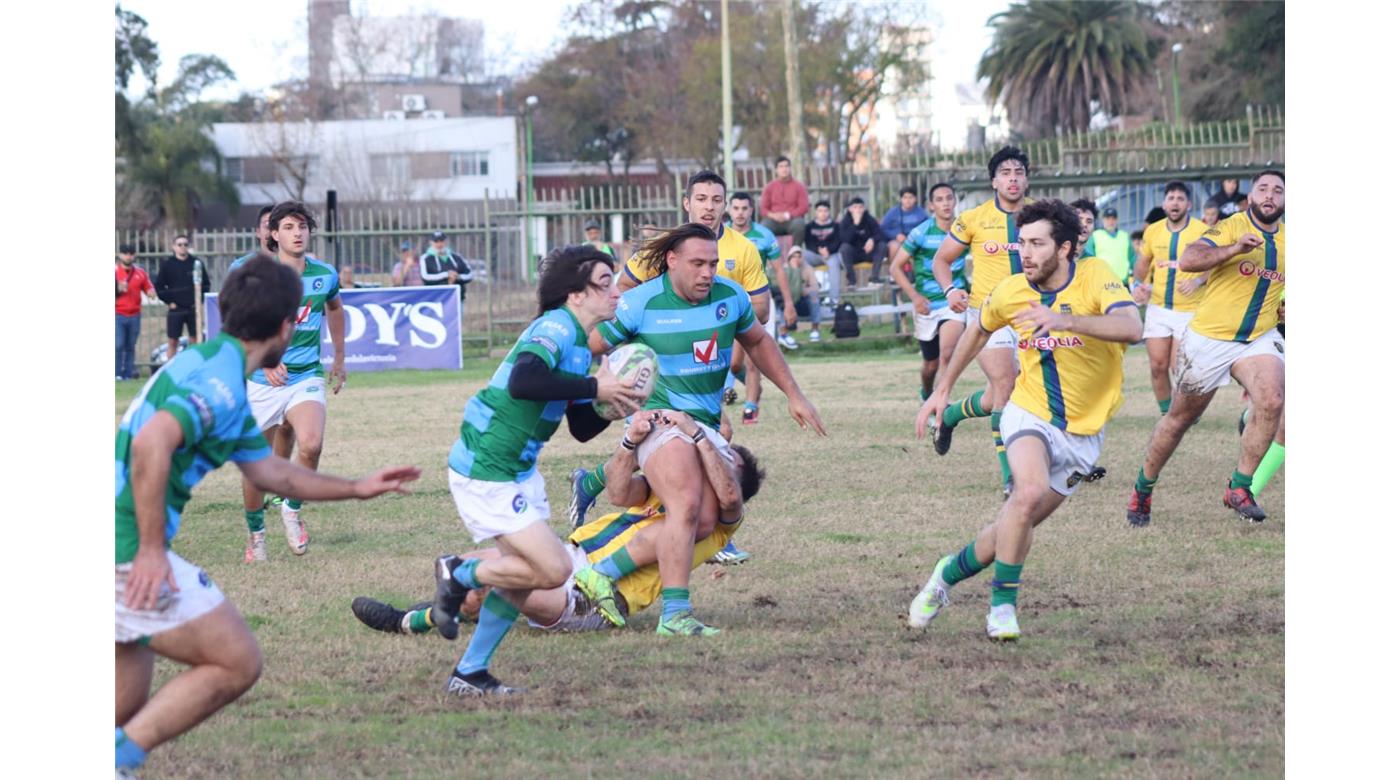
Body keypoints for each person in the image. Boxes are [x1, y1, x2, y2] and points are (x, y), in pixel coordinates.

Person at [115, 256, 420, 775]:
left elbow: (273, 475)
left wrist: (356, 487)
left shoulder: (217, 364)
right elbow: (151, 443)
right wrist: (147, 552)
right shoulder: (221, 383)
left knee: (124, 699)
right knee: (237, 660)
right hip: (122, 548)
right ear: (287, 326)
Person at [910, 200, 1141, 640]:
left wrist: (1062, 318)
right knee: (1027, 492)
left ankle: (944, 578)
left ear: (1067, 248)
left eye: (1037, 243)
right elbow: (977, 331)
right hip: (1028, 411)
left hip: (1084, 435)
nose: (1025, 253)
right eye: (1021, 243)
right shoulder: (1012, 289)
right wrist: (942, 389)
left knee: (1012, 527)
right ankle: (1002, 610)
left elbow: (1132, 328)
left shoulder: (1096, 277)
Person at [427, 245, 647, 696]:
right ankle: (459, 573)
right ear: (575, 295)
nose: (616, 295)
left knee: (525, 573)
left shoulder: (579, 347)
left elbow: (581, 428)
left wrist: (611, 402)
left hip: (515, 471)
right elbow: (523, 381)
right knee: (551, 570)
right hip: (488, 465)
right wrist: (593, 384)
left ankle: (469, 672)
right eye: (605, 284)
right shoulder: (554, 327)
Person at [588, 223, 826, 634]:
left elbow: (759, 343)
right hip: (660, 421)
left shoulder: (730, 297)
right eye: (698, 263)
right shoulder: (639, 303)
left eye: (713, 263)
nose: (707, 273)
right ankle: (675, 614)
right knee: (685, 501)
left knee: (705, 521)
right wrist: (592, 387)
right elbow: (591, 344)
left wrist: (793, 393)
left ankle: (602, 571)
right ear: (672, 261)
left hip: (708, 426)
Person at [352, 426, 764, 637]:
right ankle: (431, 618)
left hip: (596, 602)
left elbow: (727, 495)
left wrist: (698, 436)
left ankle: (406, 622)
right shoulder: (671, 494)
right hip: (570, 560)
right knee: (464, 569)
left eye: (729, 460)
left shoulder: (721, 522)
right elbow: (620, 491)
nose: (718, 457)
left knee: (490, 585)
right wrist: (629, 442)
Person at [575, 171, 771, 532]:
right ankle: (678, 526)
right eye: (701, 199)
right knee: (708, 436)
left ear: (725, 205)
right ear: (687, 203)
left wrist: (724, 311)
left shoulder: (742, 248)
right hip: (658, 358)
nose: (709, 207)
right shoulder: (662, 248)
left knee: (710, 437)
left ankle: (605, 487)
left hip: (705, 356)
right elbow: (623, 292)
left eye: (716, 200)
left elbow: (761, 311)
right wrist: (649, 318)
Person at [1126, 170, 1285, 527]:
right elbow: (1189, 260)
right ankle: (1143, 487)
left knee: (1273, 398)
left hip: (1257, 338)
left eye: (1278, 190)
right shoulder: (1232, 226)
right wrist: (1233, 249)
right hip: (1210, 338)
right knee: (1179, 420)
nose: (1270, 195)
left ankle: (1240, 486)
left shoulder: (1291, 240)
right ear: (1250, 198)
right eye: (1263, 188)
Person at [230, 202, 347, 563]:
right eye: (290, 227)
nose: (298, 233)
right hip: (261, 381)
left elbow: (335, 308)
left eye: (303, 227)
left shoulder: (323, 275)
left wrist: (340, 357)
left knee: (310, 445)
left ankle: (292, 510)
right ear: (273, 235)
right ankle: (256, 535)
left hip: (305, 375)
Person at [929, 146, 1032, 495]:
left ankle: (953, 415)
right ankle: (1012, 477)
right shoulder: (973, 218)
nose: (1013, 179)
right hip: (989, 317)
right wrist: (950, 291)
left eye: (1019, 172)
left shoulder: (1042, 216)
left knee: (1002, 396)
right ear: (993, 181)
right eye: (1006, 173)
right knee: (1005, 385)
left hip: (1034, 316)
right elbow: (941, 261)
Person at [1132, 181, 1211, 415]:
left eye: (1180, 198)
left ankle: (1184, 412)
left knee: (1180, 367)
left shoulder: (1200, 230)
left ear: (1189, 204)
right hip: (1158, 308)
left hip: (1189, 310)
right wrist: (1139, 285)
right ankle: (1168, 414)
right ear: (1164, 203)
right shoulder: (1153, 230)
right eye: (1171, 198)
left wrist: (1197, 281)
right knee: (1158, 366)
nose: (1175, 202)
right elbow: (1142, 265)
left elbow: (1215, 264)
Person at [889, 182, 968, 401]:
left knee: (948, 354)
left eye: (949, 198)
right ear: (931, 205)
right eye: (940, 200)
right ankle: (927, 392)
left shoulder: (964, 230)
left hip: (953, 302)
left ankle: (941, 406)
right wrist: (914, 297)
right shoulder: (921, 233)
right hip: (927, 306)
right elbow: (895, 268)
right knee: (930, 364)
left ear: (955, 201)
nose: (946, 203)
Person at [727, 191, 793, 424]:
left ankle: (750, 406)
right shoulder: (720, 235)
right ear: (729, 210)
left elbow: (779, 270)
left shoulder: (764, 236)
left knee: (753, 358)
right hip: (729, 304)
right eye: (735, 208)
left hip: (757, 301)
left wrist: (789, 304)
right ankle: (751, 388)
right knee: (734, 364)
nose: (740, 213)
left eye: (744, 208)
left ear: (751, 210)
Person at [155, 235, 202, 363]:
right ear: (174, 247)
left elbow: (206, 284)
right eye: (179, 244)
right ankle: (170, 369)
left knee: (195, 339)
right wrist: (169, 302)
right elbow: (159, 286)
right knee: (172, 340)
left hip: (193, 309)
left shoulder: (196, 263)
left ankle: (193, 366)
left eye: (185, 244)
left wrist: (199, 301)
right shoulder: (167, 265)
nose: (183, 247)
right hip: (176, 309)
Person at [116, 244, 156, 381]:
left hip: (135, 314)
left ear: (134, 255)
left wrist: (151, 292)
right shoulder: (114, 272)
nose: (128, 256)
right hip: (118, 314)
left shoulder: (140, 273)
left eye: (131, 253)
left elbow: (148, 288)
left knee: (130, 345)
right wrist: (117, 290)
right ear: (120, 255)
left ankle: (127, 374)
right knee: (118, 344)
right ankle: (116, 374)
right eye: (125, 253)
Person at [775, 245, 823, 345]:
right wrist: (795, 270)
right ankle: (784, 334)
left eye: (799, 256)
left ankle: (815, 330)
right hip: (788, 302)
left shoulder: (808, 269)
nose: (797, 259)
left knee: (814, 297)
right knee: (780, 300)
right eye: (794, 256)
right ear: (789, 258)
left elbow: (815, 287)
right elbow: (787, 288)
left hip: (802, 302)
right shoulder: (784, 269)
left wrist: (807, 290)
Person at [759, 155, 810, 246]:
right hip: (773, 220)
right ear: (776, 170)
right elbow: (763, 209)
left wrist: (788, 215)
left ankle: (795, 253)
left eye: (786, 166)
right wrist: (774, 216)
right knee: (764, 226)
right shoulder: (769, 187)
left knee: (799, 224)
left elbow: (804, 207)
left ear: (790, 168)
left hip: (792, 220)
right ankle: (769, 255)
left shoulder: (799, 186)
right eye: (781, 166)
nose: (784, 169)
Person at [801, 200, 845, 303]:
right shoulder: (809, 227)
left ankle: (834, 299)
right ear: (816, 212)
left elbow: (838, 241)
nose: (823, 213)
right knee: (801, 256)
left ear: (829, 212)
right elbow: (809, 243)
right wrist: (819, 250)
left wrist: (828, 251)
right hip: (815, 254)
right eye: (820, 211)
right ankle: (807, 292)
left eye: (825, 211)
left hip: (831, 255)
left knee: (834, 264)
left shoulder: (836, 226)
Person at [837, 197, 886, 287]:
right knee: (844, 248)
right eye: (855, 207)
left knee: (882, 245)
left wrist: (872, 240)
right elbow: (844, 239)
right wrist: (855, 224)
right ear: (850, 209)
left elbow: (880, 235)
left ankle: (874, 278)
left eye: (860, 207)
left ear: (864, 209)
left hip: (868, 253)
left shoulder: (869, 219)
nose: (858, 210)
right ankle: (851, 281)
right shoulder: (845, 221)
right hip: (853, 255)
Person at [881, 186, 930, 273]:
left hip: (915, 241)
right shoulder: (892, 212)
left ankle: (921, 273)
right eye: (905, 197)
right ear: (901, 199)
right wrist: (895, 235)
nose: (908, 200)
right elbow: (883, 229)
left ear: (915, 199)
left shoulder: (921, 213)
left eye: (910, 197)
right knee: (893, 246)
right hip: (897, 241)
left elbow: (928, 227)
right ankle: (894, 274)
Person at [1084, 207, 1135, 284]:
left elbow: (1132, 258)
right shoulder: (1095, 236)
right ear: (1103, 220)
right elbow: (1088, 258)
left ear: (1117, 220)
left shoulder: (1124, 236)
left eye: (1113, 219)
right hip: (1102, 282)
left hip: (1122, 282)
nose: (1111, 222)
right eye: (1108, 219)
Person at [420, 230, 473, 300]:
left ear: (445, 242)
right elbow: (425, 277)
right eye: (436, 241)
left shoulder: (457, 257)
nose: (439, 244)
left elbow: (469, 274)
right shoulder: (425, 258)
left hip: (457, 298)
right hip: (435, 299)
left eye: (441, 241)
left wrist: (458, 277)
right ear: (431, 242)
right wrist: (446, 275)